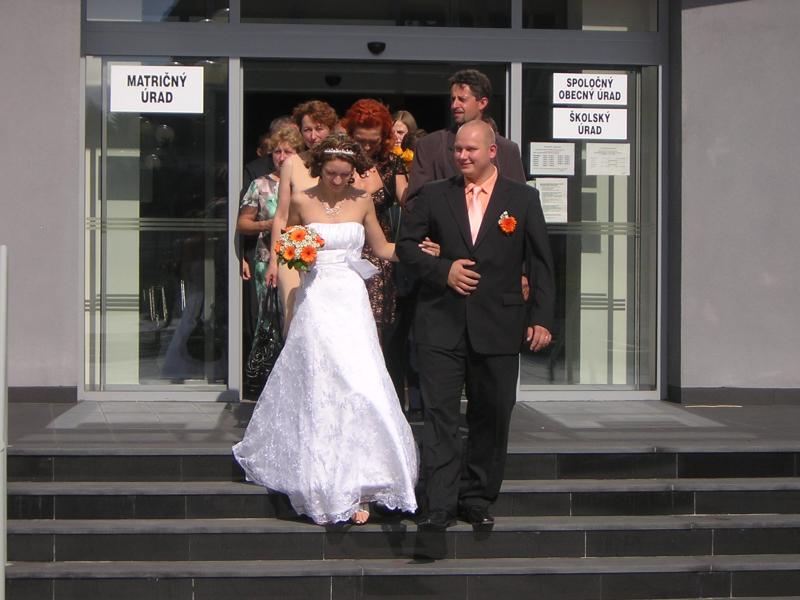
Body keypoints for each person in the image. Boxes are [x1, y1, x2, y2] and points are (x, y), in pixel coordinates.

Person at [233, 134, 440, 526]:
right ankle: (322, 479)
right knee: (322, 383)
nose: (339, 180)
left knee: (361, 383)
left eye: (346, 174)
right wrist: (293, 256)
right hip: (316, 297)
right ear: (319, 169)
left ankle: (362, 479)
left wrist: (416, 251)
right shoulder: (301, 200)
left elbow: (382, 248)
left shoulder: (362, 201)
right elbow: (287, 243)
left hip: (351, 297)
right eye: (332, 173)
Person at [396, 120, 555, 554]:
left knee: (493, 413)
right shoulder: (434, 195)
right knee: (441, 417)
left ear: (492, 152)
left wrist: (542, 318)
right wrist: (442, 269)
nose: (462, 156)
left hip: (500, 323)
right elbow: (406, 247)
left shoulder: (522, 198)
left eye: (471, 150)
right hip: (440, 324)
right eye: (458, 150)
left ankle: (478, 497)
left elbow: (541, 261)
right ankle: (439, 505)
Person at [237, 125, 305, 396]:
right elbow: (242, 224)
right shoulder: (260, 185)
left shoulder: (307, 182)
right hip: (267, 260)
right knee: (268, 322)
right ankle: (265, 383)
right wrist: (270, 224)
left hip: (300, 263)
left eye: (288, 151)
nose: (282, 156)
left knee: (296, 321)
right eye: (277, 151)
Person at [266, 100, 339, 329]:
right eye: (307, 129)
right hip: (294, 252)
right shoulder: (292, 164)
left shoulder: (343, 164)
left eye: (319, 128)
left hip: (330, 254)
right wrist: (274, 261)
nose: (313, 136)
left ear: (331, 129)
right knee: (293, 320)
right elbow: (281, 216)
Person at [406, 69, 526, 201]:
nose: (454, 105)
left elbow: (519, 200)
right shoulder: (430, 146)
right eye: (453, 99)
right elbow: (415, 202)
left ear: (482, 103)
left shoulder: (507, 150)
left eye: (462, 99)